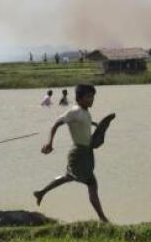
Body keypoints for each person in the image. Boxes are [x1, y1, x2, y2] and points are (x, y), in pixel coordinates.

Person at [33, 84, 116, 222]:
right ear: (79, 98)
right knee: (91, 183)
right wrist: (50, 142)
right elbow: (57, 123)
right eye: (88, 97)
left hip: (85, 152)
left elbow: (83, 123)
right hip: (79, 153)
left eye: (93, 96)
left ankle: (41, 192)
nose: (92, 99)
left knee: (69, 177)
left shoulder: (85, 112)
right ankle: (103, 218)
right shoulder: (74, 111)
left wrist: (95, 124)